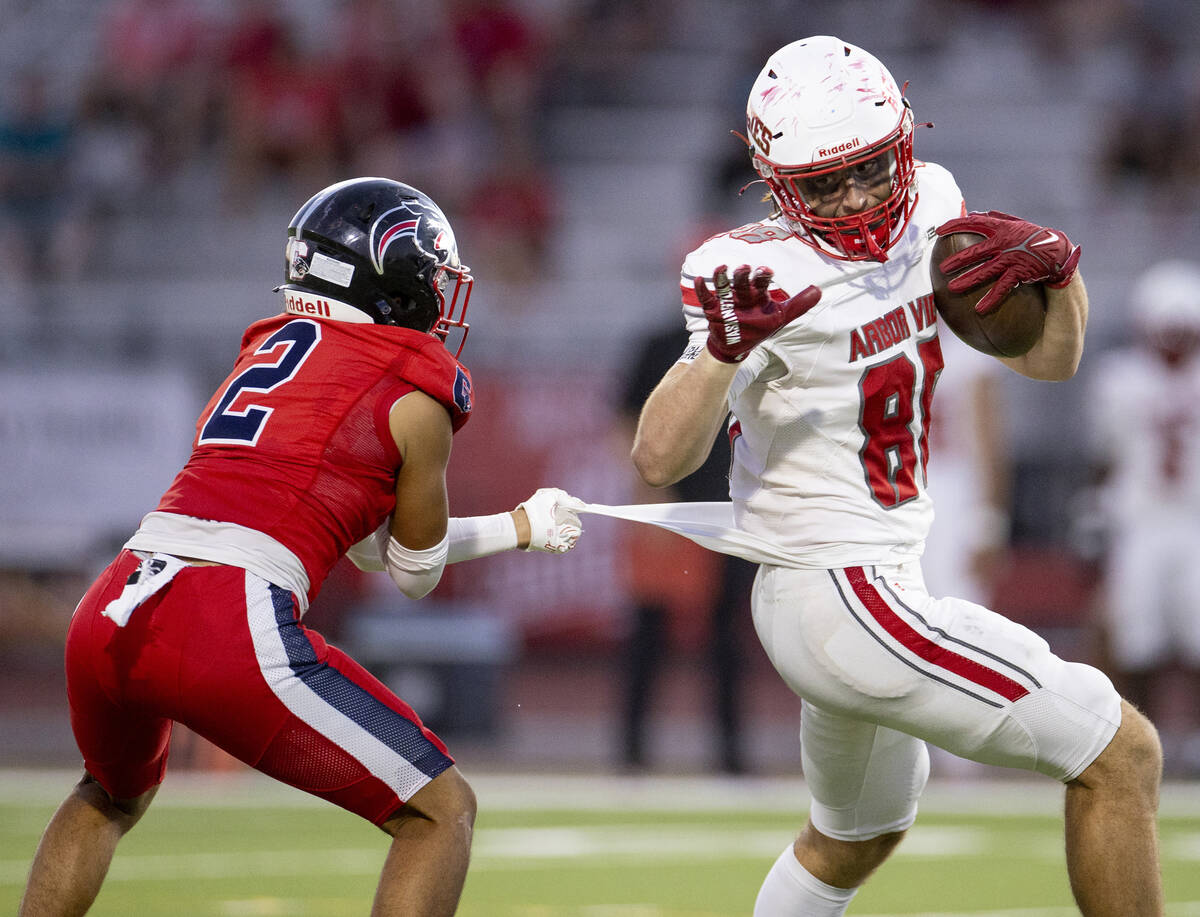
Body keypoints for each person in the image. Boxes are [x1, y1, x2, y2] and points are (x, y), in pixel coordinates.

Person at [628, 36, 1163, 917]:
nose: (855, 199)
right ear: (773, 181)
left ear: (904, 143)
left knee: (855, 836)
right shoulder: (746, 267)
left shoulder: (935, 206)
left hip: (883, 572)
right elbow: (658, 458)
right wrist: (719, 353)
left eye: (872, 170)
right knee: (1122, 750)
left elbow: (1049, 363)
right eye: (822, 184)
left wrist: (1061, 278)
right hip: (834, 590)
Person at [18, 177, 584, 917]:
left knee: (107, 794)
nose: (438, 294)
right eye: (429, 274)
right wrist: (519, 528)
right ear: (389, 278)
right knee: (441, 810)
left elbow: (362, 543)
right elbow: (411, 570)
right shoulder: (413, 388)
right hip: (226, 618)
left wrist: (520, 525)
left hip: (114, 601)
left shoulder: (271, 346)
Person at [1086, 258, 1200, 774]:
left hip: (1193, 520)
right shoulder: (1120, 378)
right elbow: (1105, 457)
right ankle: (1140, 735)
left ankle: (1188, 739)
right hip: (1143, 520)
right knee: (1136, 640)